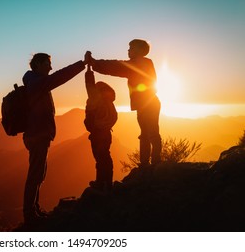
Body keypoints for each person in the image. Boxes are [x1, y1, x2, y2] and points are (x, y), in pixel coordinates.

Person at [22, 53, 87, 224]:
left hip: (39, 135)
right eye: (47, 64)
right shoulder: (36, 83)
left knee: (39, 174)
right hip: (38, 135)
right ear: (37, 65)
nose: (50, 68)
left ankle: (34, 209)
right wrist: (81, 64)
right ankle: (29, 215)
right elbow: (59, 77)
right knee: (35, 174)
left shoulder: (35, 82)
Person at [86, 39, 162, 167]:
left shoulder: (141, 63)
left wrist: (94, 63)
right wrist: (95, 63)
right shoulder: (143, 63)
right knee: (147, 133)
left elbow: (117, 67)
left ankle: (154, 163)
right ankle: (148, 163)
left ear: (138, 50)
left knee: (150, 133)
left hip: (148, 104)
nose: (128, 50)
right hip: (147, 104)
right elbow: (118, 66)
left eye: (131, 48)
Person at [84, 63, 118, 191]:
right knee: (105, 157)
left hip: (98, 134)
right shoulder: (109, 102)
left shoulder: (96, 100)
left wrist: (88, 70)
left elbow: (89, 85)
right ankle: (106, 183)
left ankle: (101, 183)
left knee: (100, 158)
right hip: (106, 133)